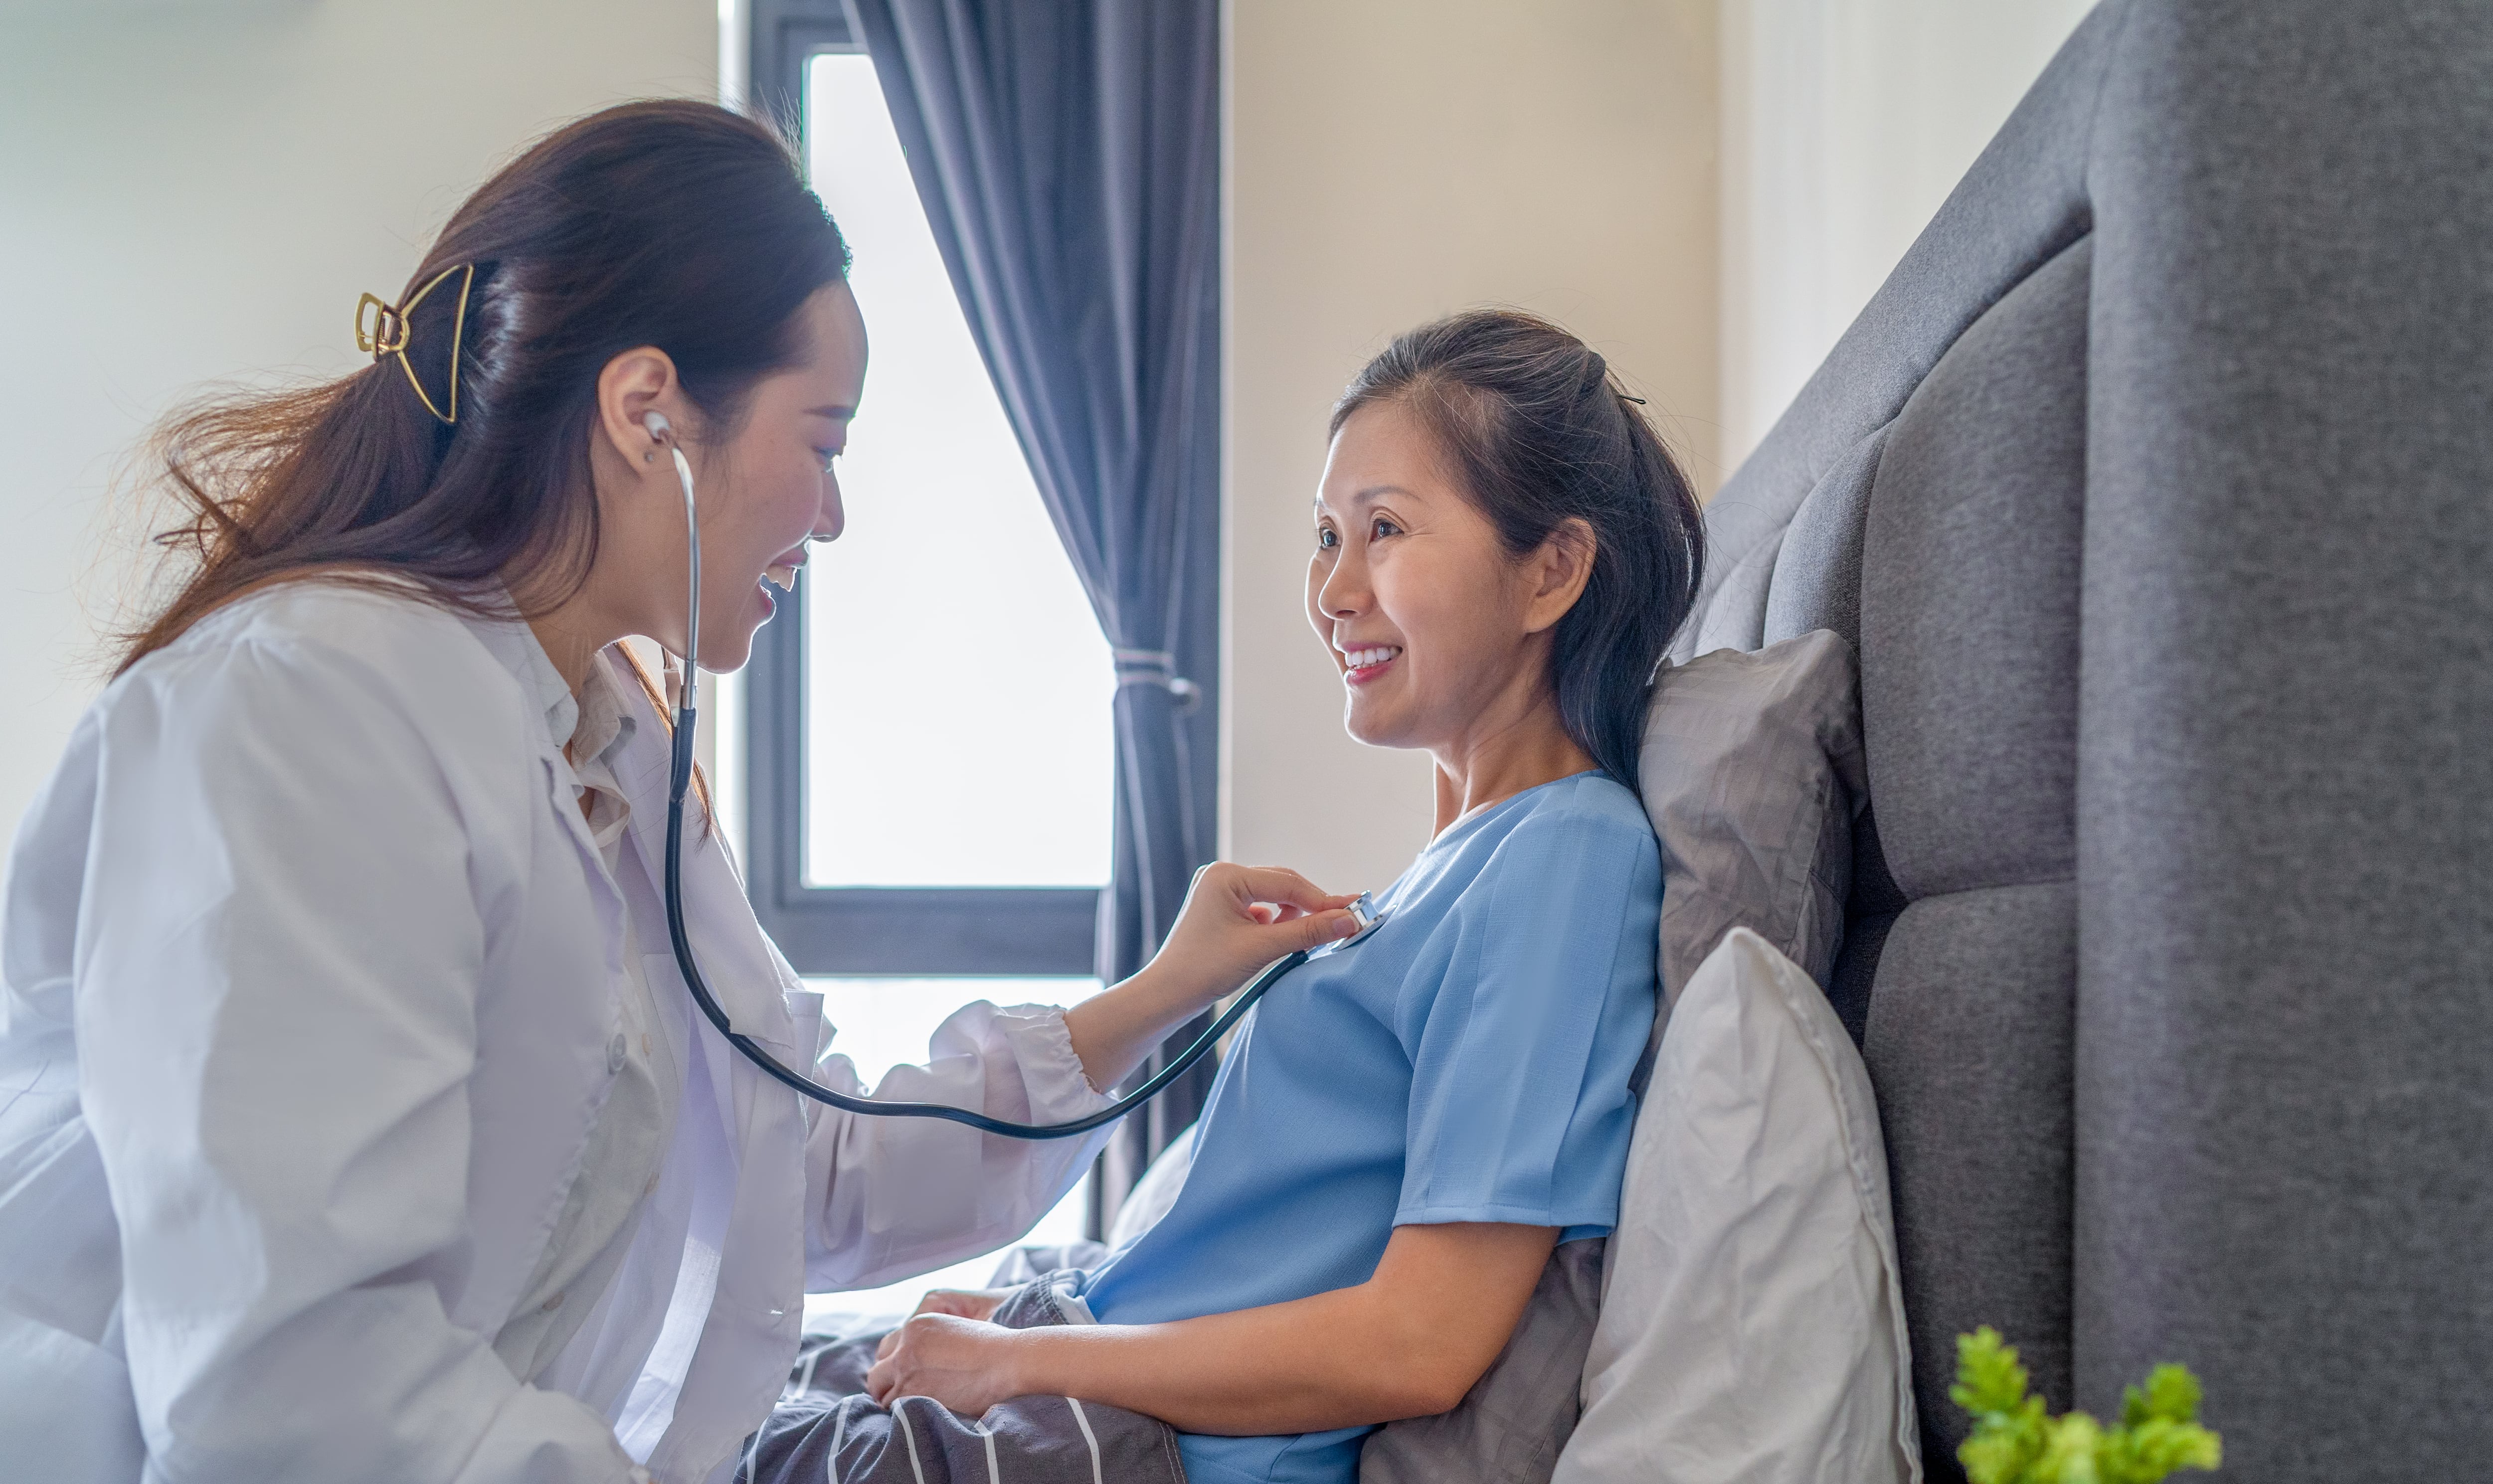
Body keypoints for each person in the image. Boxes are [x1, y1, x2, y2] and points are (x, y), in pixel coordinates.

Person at [0, 100, 1362, 1484]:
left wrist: (1160, 991)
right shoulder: (305, 710)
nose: (833, 516)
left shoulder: (603, 743)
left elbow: (806, 1162)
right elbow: (299, 1396)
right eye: (823, 442)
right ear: (646, 411)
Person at [826, 309, 1707, 1484]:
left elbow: (1421, 1341)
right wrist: (1023, 1313)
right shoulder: (1447, 869)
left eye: (1384, 530)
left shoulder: (1569, 858)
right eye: (1326, 535)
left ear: (1551, 569)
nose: (1333, 590)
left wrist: (1022, 1365)